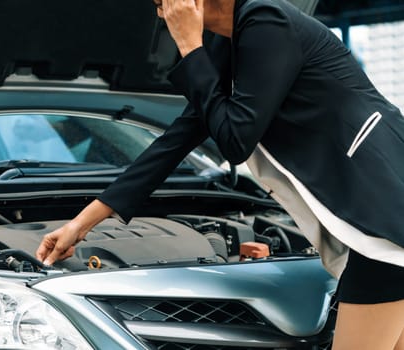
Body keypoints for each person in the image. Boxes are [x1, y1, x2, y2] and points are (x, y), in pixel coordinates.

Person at [36, 0, 404, 348]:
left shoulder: (267, 23)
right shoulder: (233, 42)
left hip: (382, 227)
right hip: (377, 227)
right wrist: (82, 224)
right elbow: (180, 136)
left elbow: (234, 139)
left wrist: (189, 45)